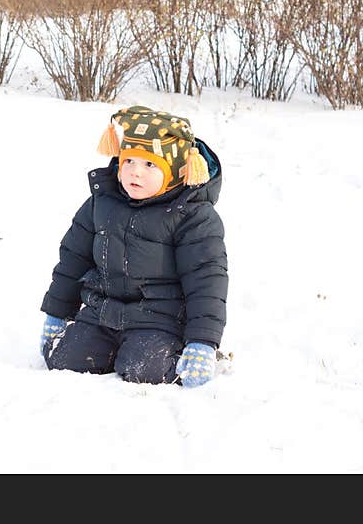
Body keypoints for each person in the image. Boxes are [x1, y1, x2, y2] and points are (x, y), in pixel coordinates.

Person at [40, 105, 227, 387]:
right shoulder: (101, 203)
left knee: (144, 370)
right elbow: (72, 259)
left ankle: (184, 355)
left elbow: (207, 281)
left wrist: (203, 341)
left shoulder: (193, 217)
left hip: (159, 321)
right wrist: (57, 312)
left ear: (178, 171)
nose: (135, 173)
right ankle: (107, 348)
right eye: (129, 162)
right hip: (102, 314)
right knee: (65, 361)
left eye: (150, 165)